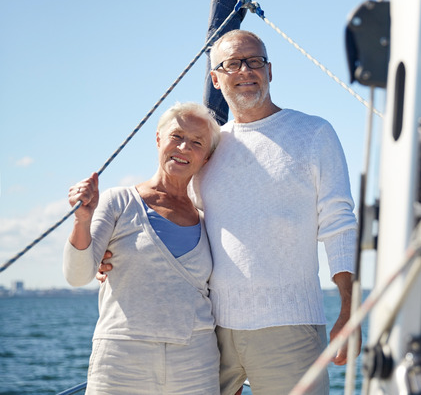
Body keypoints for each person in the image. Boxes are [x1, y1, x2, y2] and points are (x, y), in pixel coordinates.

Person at [193, 29, 360, 395]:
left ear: (270, 71)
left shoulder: (313, 133)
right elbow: (184, 226)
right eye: (232, 63)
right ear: (215, 79)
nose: (246, 70)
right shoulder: (208, 149)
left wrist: (350, 309)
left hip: (290, 328)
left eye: (255, 61)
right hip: (211, 332)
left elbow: (339, 224)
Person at [63, 102, 222, 394]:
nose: (184, 147)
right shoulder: (117, 201)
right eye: (176, 136)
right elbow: (77, 276)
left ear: (206, 157)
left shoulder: (210, 219)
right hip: (121, 358)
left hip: (196, 362)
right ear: (159, 139)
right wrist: (82, 219)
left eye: (197, 142)